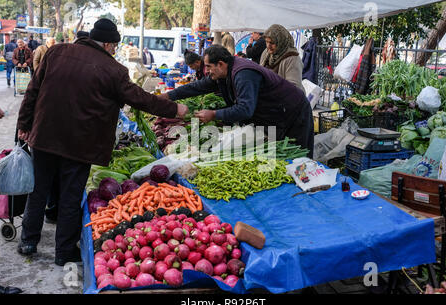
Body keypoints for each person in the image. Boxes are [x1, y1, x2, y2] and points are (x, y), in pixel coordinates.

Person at [16, 18, 188, 266]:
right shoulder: (114, 70)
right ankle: (63, 252)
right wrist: (174, 108)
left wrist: (24, 124)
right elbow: (141, 99)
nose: (114, 51)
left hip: (45, 135)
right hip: (80, 144)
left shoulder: (56, 52)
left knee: (38, 189)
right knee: (70, 197)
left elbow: (32, 90)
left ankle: (28, 242)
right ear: (108, 44)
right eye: (114, 46)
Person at [160, 45, 314, 157]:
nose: (206, 71)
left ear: (220, 64)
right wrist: (169, 96)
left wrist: (214, 114)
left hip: (294, 111)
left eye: (208, 67)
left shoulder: (243, 74)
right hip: (276, 114)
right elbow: (197, 87)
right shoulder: (222, 73)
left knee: (299, 156)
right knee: (280, 155)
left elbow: (245, 109)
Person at [260, 24, 305, 93]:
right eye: (266, 41)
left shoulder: (292, 59)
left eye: (272, 43)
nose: (268, 46)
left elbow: (294, 89)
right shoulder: (266, 53)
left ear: (281, 42)